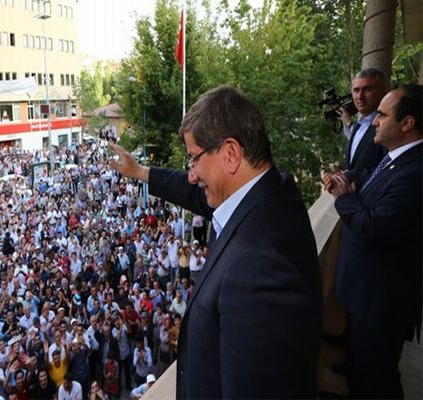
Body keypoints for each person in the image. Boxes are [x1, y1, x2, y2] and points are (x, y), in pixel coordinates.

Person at [109, 84, 322, 398]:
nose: (192, 175)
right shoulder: (271, 193)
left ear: (231, 153)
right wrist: (141, 172)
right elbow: (194, 191)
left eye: (194, 159)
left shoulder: (260, 264)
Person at [324, 83, 422, 398]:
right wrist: (349, 179)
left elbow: (374, 228)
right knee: (361, 363)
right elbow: (372, 177)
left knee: (378, 379)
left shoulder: (416, 172)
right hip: (366, 292)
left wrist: (343, 199)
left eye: (382, 114)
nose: (374, 121)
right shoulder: (397, 158)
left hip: (381, 300)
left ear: (407, 124)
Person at [338, 68, 387, 171]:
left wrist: (351, 178)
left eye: (367, 89)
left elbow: (387, 168)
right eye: (356, 90)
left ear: (383, 91)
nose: (360, 96)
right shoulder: (357, 126)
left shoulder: (389, 126)